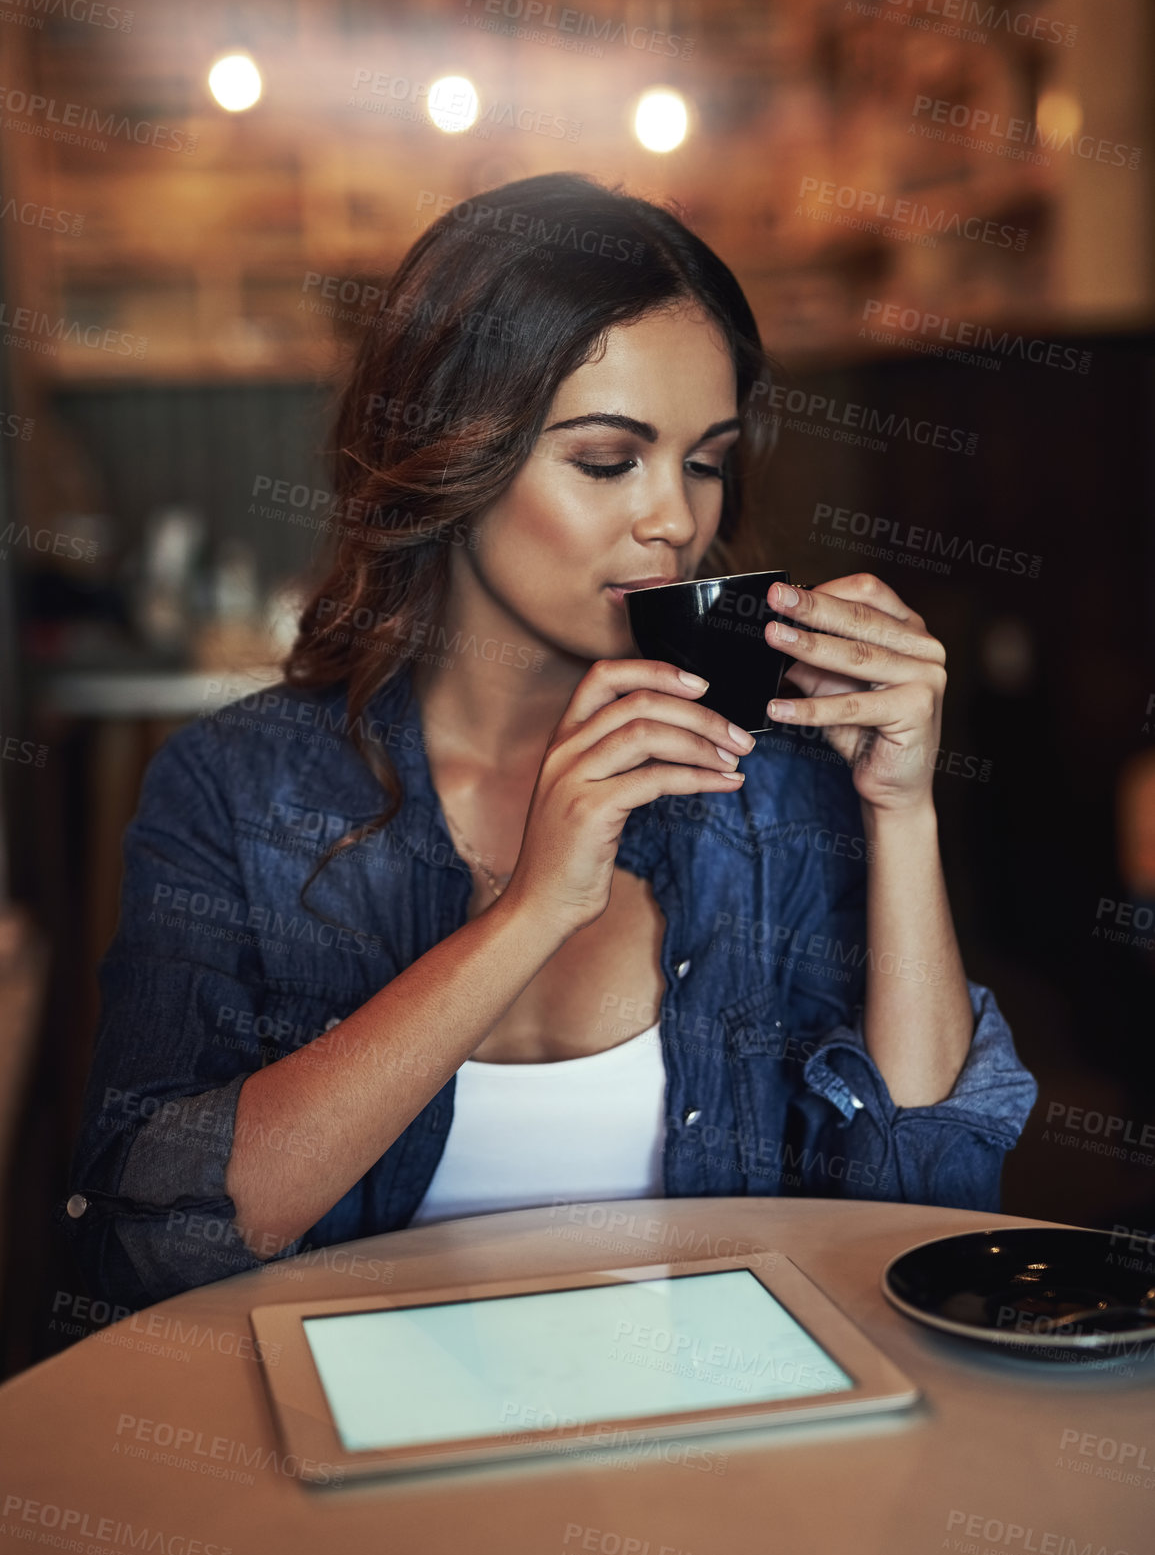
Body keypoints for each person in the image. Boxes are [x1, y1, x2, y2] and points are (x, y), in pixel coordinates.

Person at [60, 173, 1037, 1311]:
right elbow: (152, 1239)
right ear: (449, 456)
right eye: (608, 460)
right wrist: (531, 911)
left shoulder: (770, 786)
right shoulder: (238, 790)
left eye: (706, 459)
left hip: (723, 1461)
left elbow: (929, 1211)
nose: (675, 517)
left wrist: (901, 813)